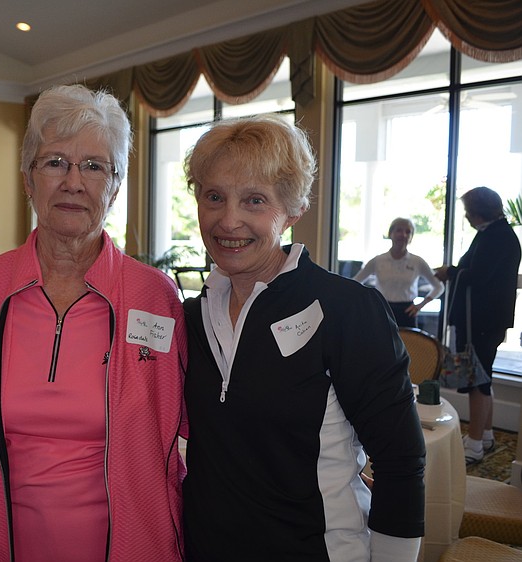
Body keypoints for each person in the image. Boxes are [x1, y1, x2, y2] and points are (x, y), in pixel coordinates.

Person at [0, 84, 187, 562]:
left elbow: (207, 423)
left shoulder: (155, 297)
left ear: (116, 186)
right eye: (55, 162)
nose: (74, 182)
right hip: (7, 543)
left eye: (94, 166)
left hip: (135, 546)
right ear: (28, 179)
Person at [181, 115, 425, 561]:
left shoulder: (347, 310)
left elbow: (400, 462)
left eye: (255, 200)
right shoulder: (191, 317)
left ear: (292, 211)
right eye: (214, 197)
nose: (228, 220)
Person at [434, 186, 521, 465]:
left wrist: (450, 272)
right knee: (484, 377)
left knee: (476, 380)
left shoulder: (497, 237)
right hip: (487, 319)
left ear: (479, 211)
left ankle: (473, 444)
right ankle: (485, 435)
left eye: (469, 212)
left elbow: (478, 276)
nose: (467, 217)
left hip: (481, 321)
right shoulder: (497, 234)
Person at [353, 217, 444, 328]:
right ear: (391, 234)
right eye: (399, 230)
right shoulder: (378, 260)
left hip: (407, 312)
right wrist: (367, 303)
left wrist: (420, 305)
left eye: (408, 232)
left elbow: (439, 287)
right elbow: (355, 283)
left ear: (411, 237)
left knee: (408, 340)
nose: (403, 235)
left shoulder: (417, 262)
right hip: (382, 311)